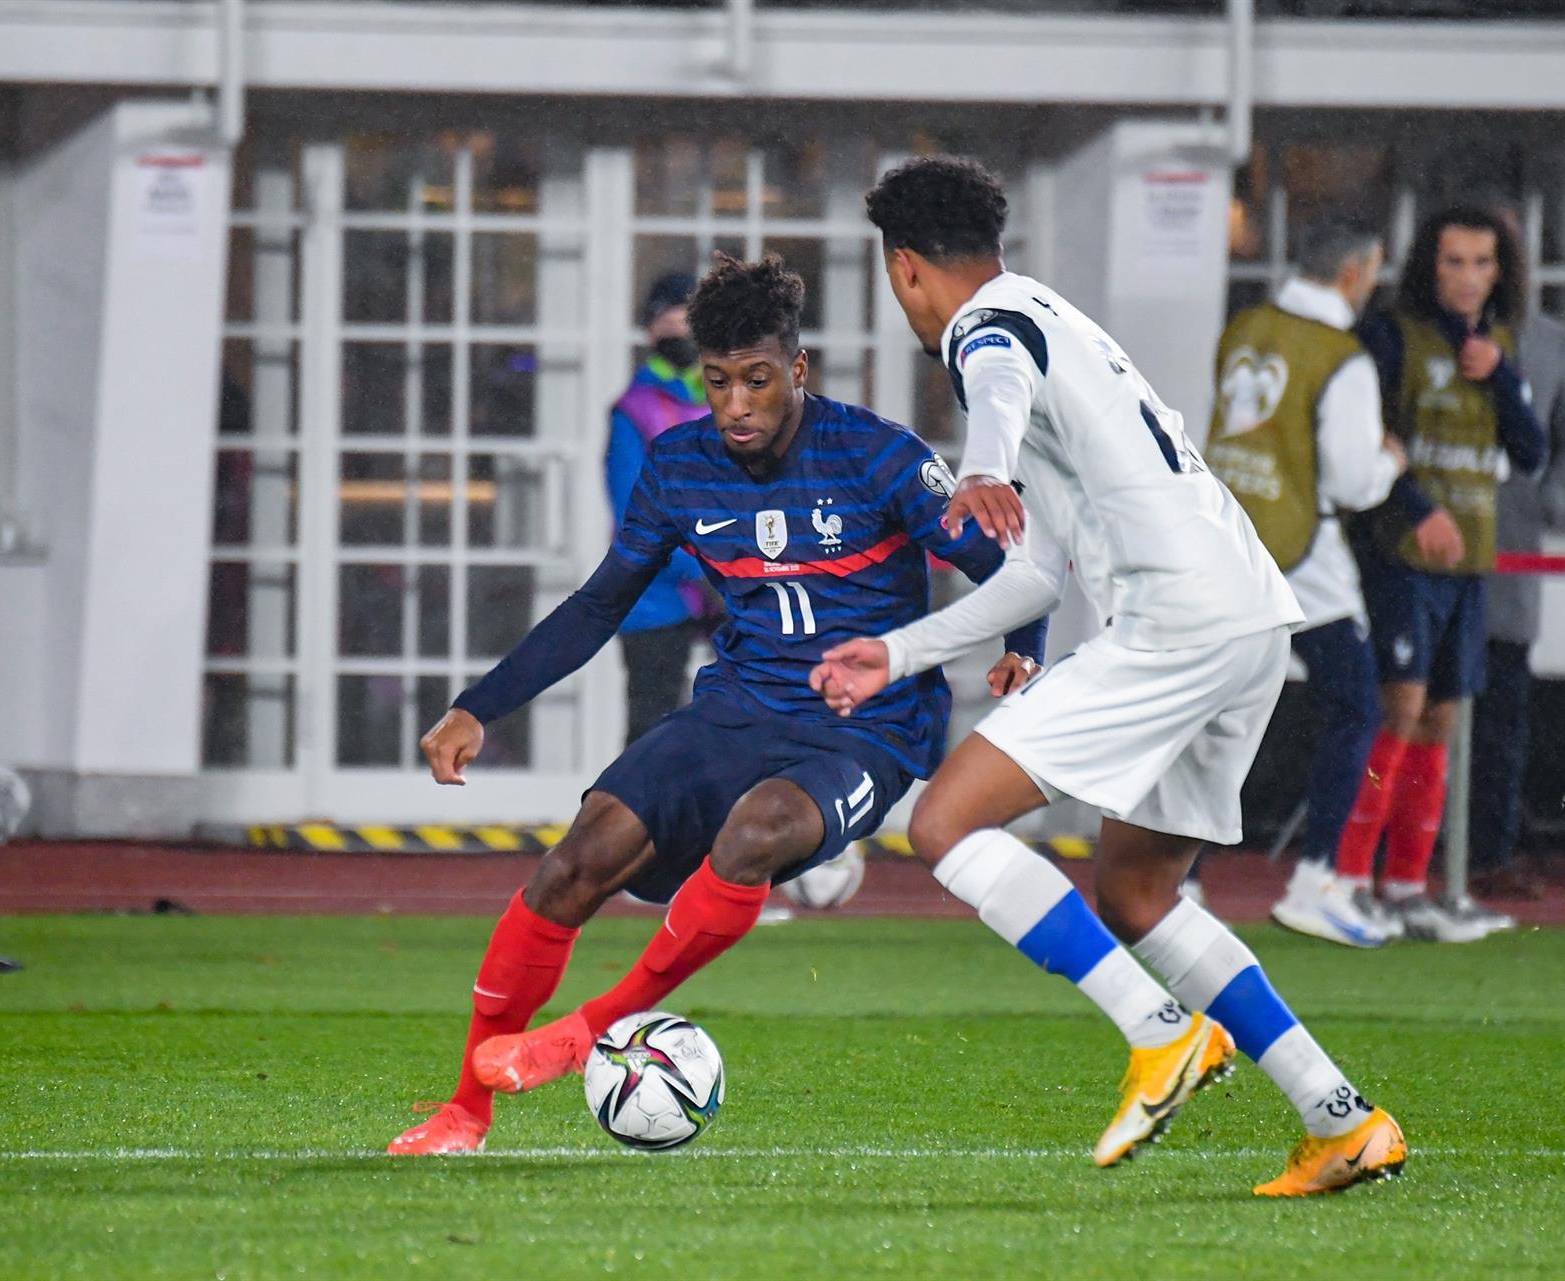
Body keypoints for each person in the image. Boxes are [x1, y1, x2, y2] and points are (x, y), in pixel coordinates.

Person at [388, 253, 1065, 1156]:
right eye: (717, 382)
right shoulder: (678, 466)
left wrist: (1025, 649)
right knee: (574, 860)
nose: (736, 404)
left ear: (797, 369)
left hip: (869, 727)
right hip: (737, 707)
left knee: (754, 831)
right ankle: (464, 1112)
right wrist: (481, 704)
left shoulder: (880, 457)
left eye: (756, 380)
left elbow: (1016, 575)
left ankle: (595, 1026)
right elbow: (601, 602)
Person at [816, 156, 1404, 1195]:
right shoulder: (1054, 320)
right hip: (1250, 619)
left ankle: (1156, 1030)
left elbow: (991, 377)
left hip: (1178, 621)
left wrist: (983, 462)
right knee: (1137, 891)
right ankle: (1340, 1116)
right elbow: (1038, 570)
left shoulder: (987, 331)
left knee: (943, 826)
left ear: (905, 271)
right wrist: (902, 652)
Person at [1331, 206, 1548, 942]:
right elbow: (1365, 438)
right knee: (1398, 708)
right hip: (1400, 553)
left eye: (1482, 263)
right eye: (1452, 261)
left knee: (1442, 719)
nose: (1467, 277)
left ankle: (1406, 887)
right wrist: (1419, 506)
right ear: (1429, 266)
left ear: (1501, 271)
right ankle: (1349, 879)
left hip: (1469, 560)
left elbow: (1533, 452)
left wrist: (1505, 376)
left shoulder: (1499, 346)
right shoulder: (1390, 336)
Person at [1199, 215, 1408, 948]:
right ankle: (1315, 881)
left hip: (1222, 541)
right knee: (1354, 705)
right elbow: (1352, 481)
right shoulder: (1343, 357)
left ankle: (1183, 879)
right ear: (1356, 270)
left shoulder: (1247, 326)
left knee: (1214, 711)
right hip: (1303, 554)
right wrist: (1392, 463)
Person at [1470, 306, 1565, 900]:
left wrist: (1551, 500)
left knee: (1500, 719)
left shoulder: (1551, 340)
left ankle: (1488, 856)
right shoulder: (1417, 334)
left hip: (1511, 551)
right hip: (1426, 546)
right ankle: (1394, 860)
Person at [608, 272, 718, 744]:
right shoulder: (634, 410)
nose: (680, 335)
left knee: (759, 710)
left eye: (688, 325)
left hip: (730, 582)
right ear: (651, 332)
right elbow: (637, 515)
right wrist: (703, 569)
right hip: (657, 592)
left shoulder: (725, 401)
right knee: (651, 728)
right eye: (668, 325)